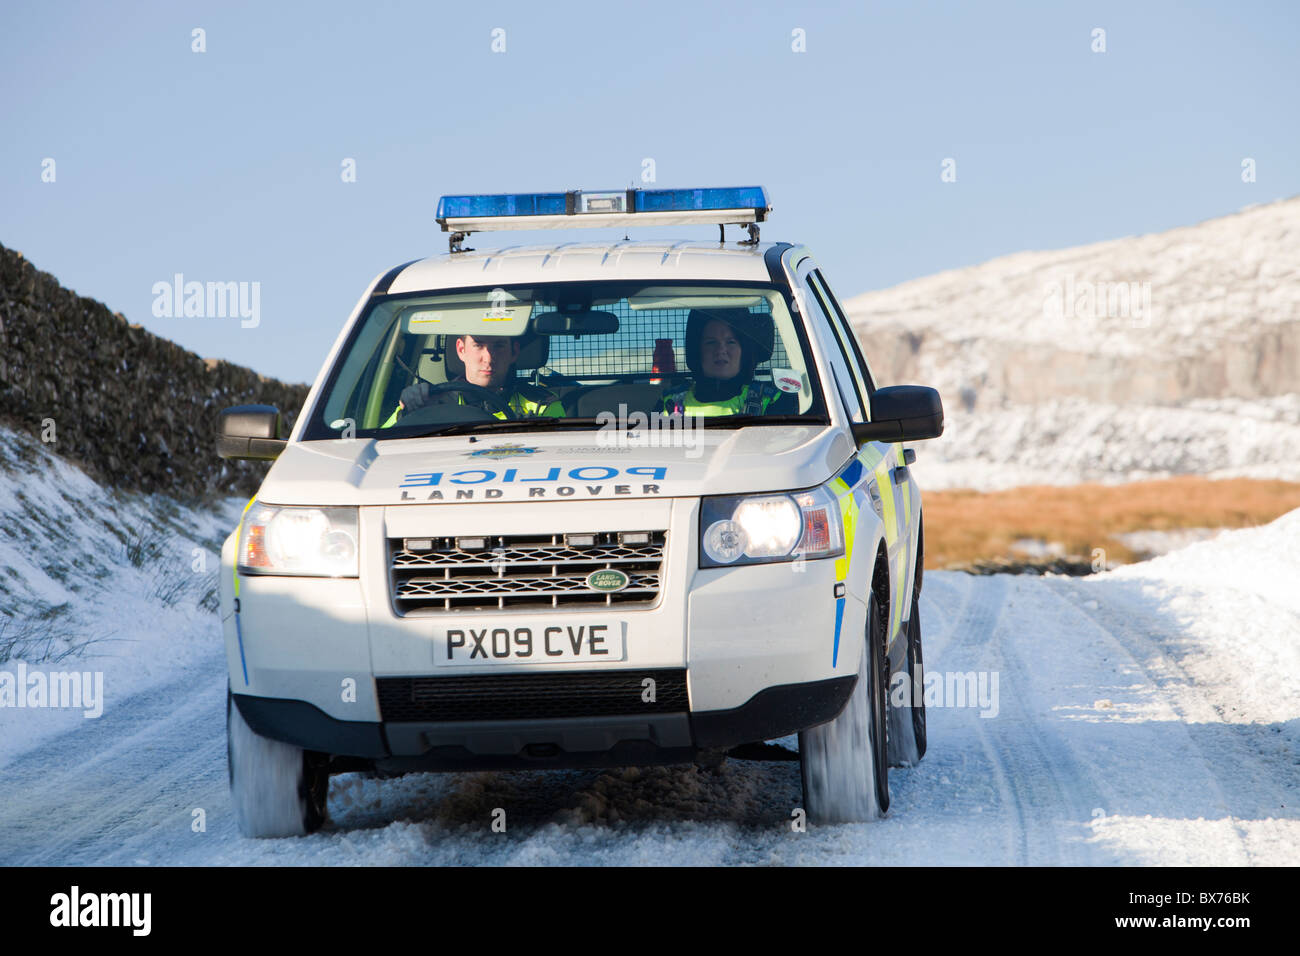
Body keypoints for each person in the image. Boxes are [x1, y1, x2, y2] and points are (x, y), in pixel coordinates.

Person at [380, 333, 564, 427]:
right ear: (461, 350)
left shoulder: (543, 404)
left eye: (498, 345)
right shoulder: (430, 400)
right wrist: (409, 411)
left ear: (514, 352)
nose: (489, 358)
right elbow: (380, 445)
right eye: (478, 345)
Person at [661, 308, 785, 416]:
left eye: (730, 342)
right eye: (711, 342)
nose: (720, 350)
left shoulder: (770, 400)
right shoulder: (669, 402)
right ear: (698, 352)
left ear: (744, 352)